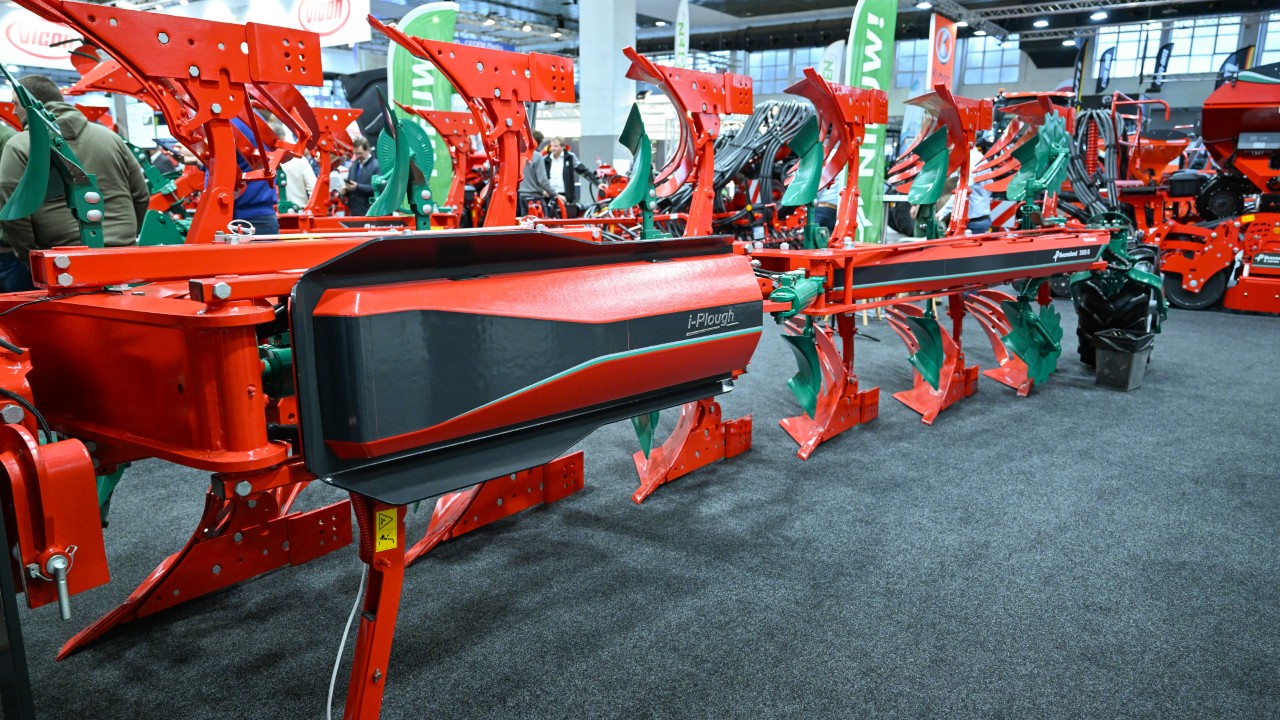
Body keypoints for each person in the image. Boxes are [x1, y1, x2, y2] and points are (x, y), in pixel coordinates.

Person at [0, 75, 148, 292]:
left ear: (29, 102)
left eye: (15, 104)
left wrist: (31, 258)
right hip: (123, 256)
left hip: (61, 264)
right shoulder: (111, 138)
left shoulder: (20, 145)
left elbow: (14, 213)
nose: (13, 112)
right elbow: (141, 195)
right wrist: (124, 237)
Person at [228, 115, 280, 235]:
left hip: (243, 221)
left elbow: (219, 168)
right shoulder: (251, 118)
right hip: (262, 217)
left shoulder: (226, 121)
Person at [543, 137, 592, 210]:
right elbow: (540, 178)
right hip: (549, 196)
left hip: (565, 196)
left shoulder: (570, 157)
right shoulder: (545, 159)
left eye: (556, 146)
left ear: (563, 147)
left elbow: (583, 171)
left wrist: (597, 183)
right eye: (552, 146)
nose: (553, 148)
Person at [518, 130, 555, 215]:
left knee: (525, 222)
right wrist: (554, 194)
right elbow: (542, 180)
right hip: (535, 198)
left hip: (522, 196)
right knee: (542, 222)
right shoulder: (538, 156)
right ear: (539, 143)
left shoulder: (520, 155)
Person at [342, 136, 379, 216]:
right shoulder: (353, 166)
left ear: (367, 150)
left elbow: (377, 189)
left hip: (368, 212)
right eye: (355, 153)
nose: (357, 156)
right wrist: (346, 191)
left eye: (359, 153)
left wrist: (357, 187)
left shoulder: (377, 166)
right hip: (354, 211)